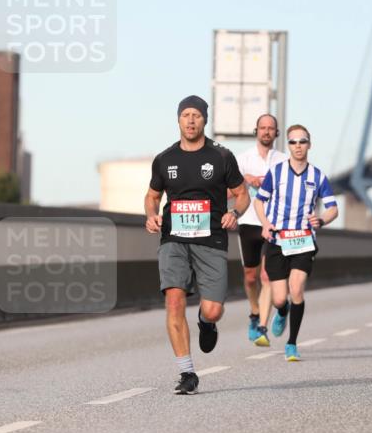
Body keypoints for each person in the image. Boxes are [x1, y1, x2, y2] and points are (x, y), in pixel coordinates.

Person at [144, 95, 249, 394]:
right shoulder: (165, 159)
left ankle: (206, 322)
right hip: (174, 239)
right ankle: (187, 372)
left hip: (211, 239)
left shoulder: (221, 156)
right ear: (178, 119)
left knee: (214, 309)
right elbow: (152, 196)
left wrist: (234, 213)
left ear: (205, 119)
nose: (191, 120)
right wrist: (151, 215)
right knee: (174, 300)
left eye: (197, 115)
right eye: (186, 115)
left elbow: (242, 194)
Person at [254, 124, 338, 361]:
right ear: (288, 145)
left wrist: (322, 219)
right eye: (293, 142)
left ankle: (292, 343)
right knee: (280, 298)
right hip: (277, 240)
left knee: (297, 288)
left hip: (303, 240)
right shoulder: (276, 172)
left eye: (302, 141)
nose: (298, 146)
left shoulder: (318, 176)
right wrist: (265, 224)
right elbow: (259, 202)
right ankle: (282, 310)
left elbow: (333, 208)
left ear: (309, 144)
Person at [236, 114, 288, 346]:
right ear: (256, 131)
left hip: (274, 223)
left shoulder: (284, 160)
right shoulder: (242, 159)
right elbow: (228, 192)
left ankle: (263, 326)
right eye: (262, 128)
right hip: (248, 221)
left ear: (276, 133)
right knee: (250, 277)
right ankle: (255, 313)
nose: (266, 132)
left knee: (267, 276)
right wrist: (245, 180)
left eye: (271, 128)